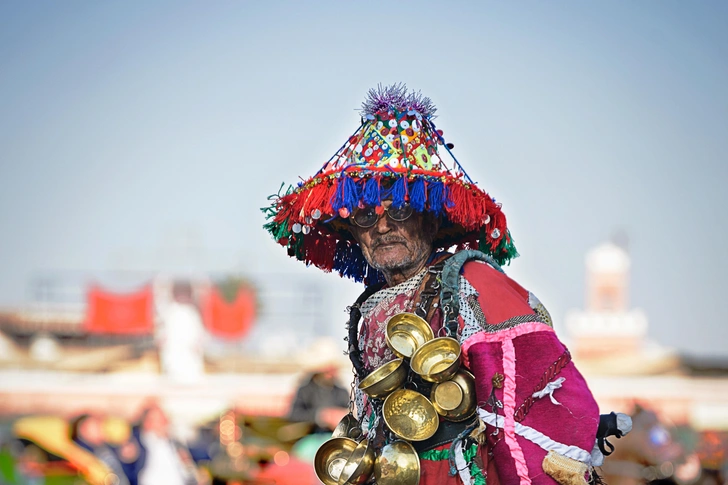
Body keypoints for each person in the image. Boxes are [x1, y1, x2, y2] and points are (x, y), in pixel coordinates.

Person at [264, 84, 612, 484]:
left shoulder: (474, 285)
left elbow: (543, 404)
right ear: (352, 233)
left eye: (399, 210)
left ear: (428, 220)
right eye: (363, 218)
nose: (381, 227)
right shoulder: (372, 308)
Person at [125, 403, 199, 485]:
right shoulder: (139, 441)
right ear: (147, 423)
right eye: (158, 419)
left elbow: (188, 466)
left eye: (163, 418)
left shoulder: (174, 443)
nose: (163, 422)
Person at [70, 413, 131, 485]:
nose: (101, 428)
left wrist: (130, 459)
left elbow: (129, 473)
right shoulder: (82, 453)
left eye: (99, 424)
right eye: (96, 426)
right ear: (84, 430)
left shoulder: (108, 446)